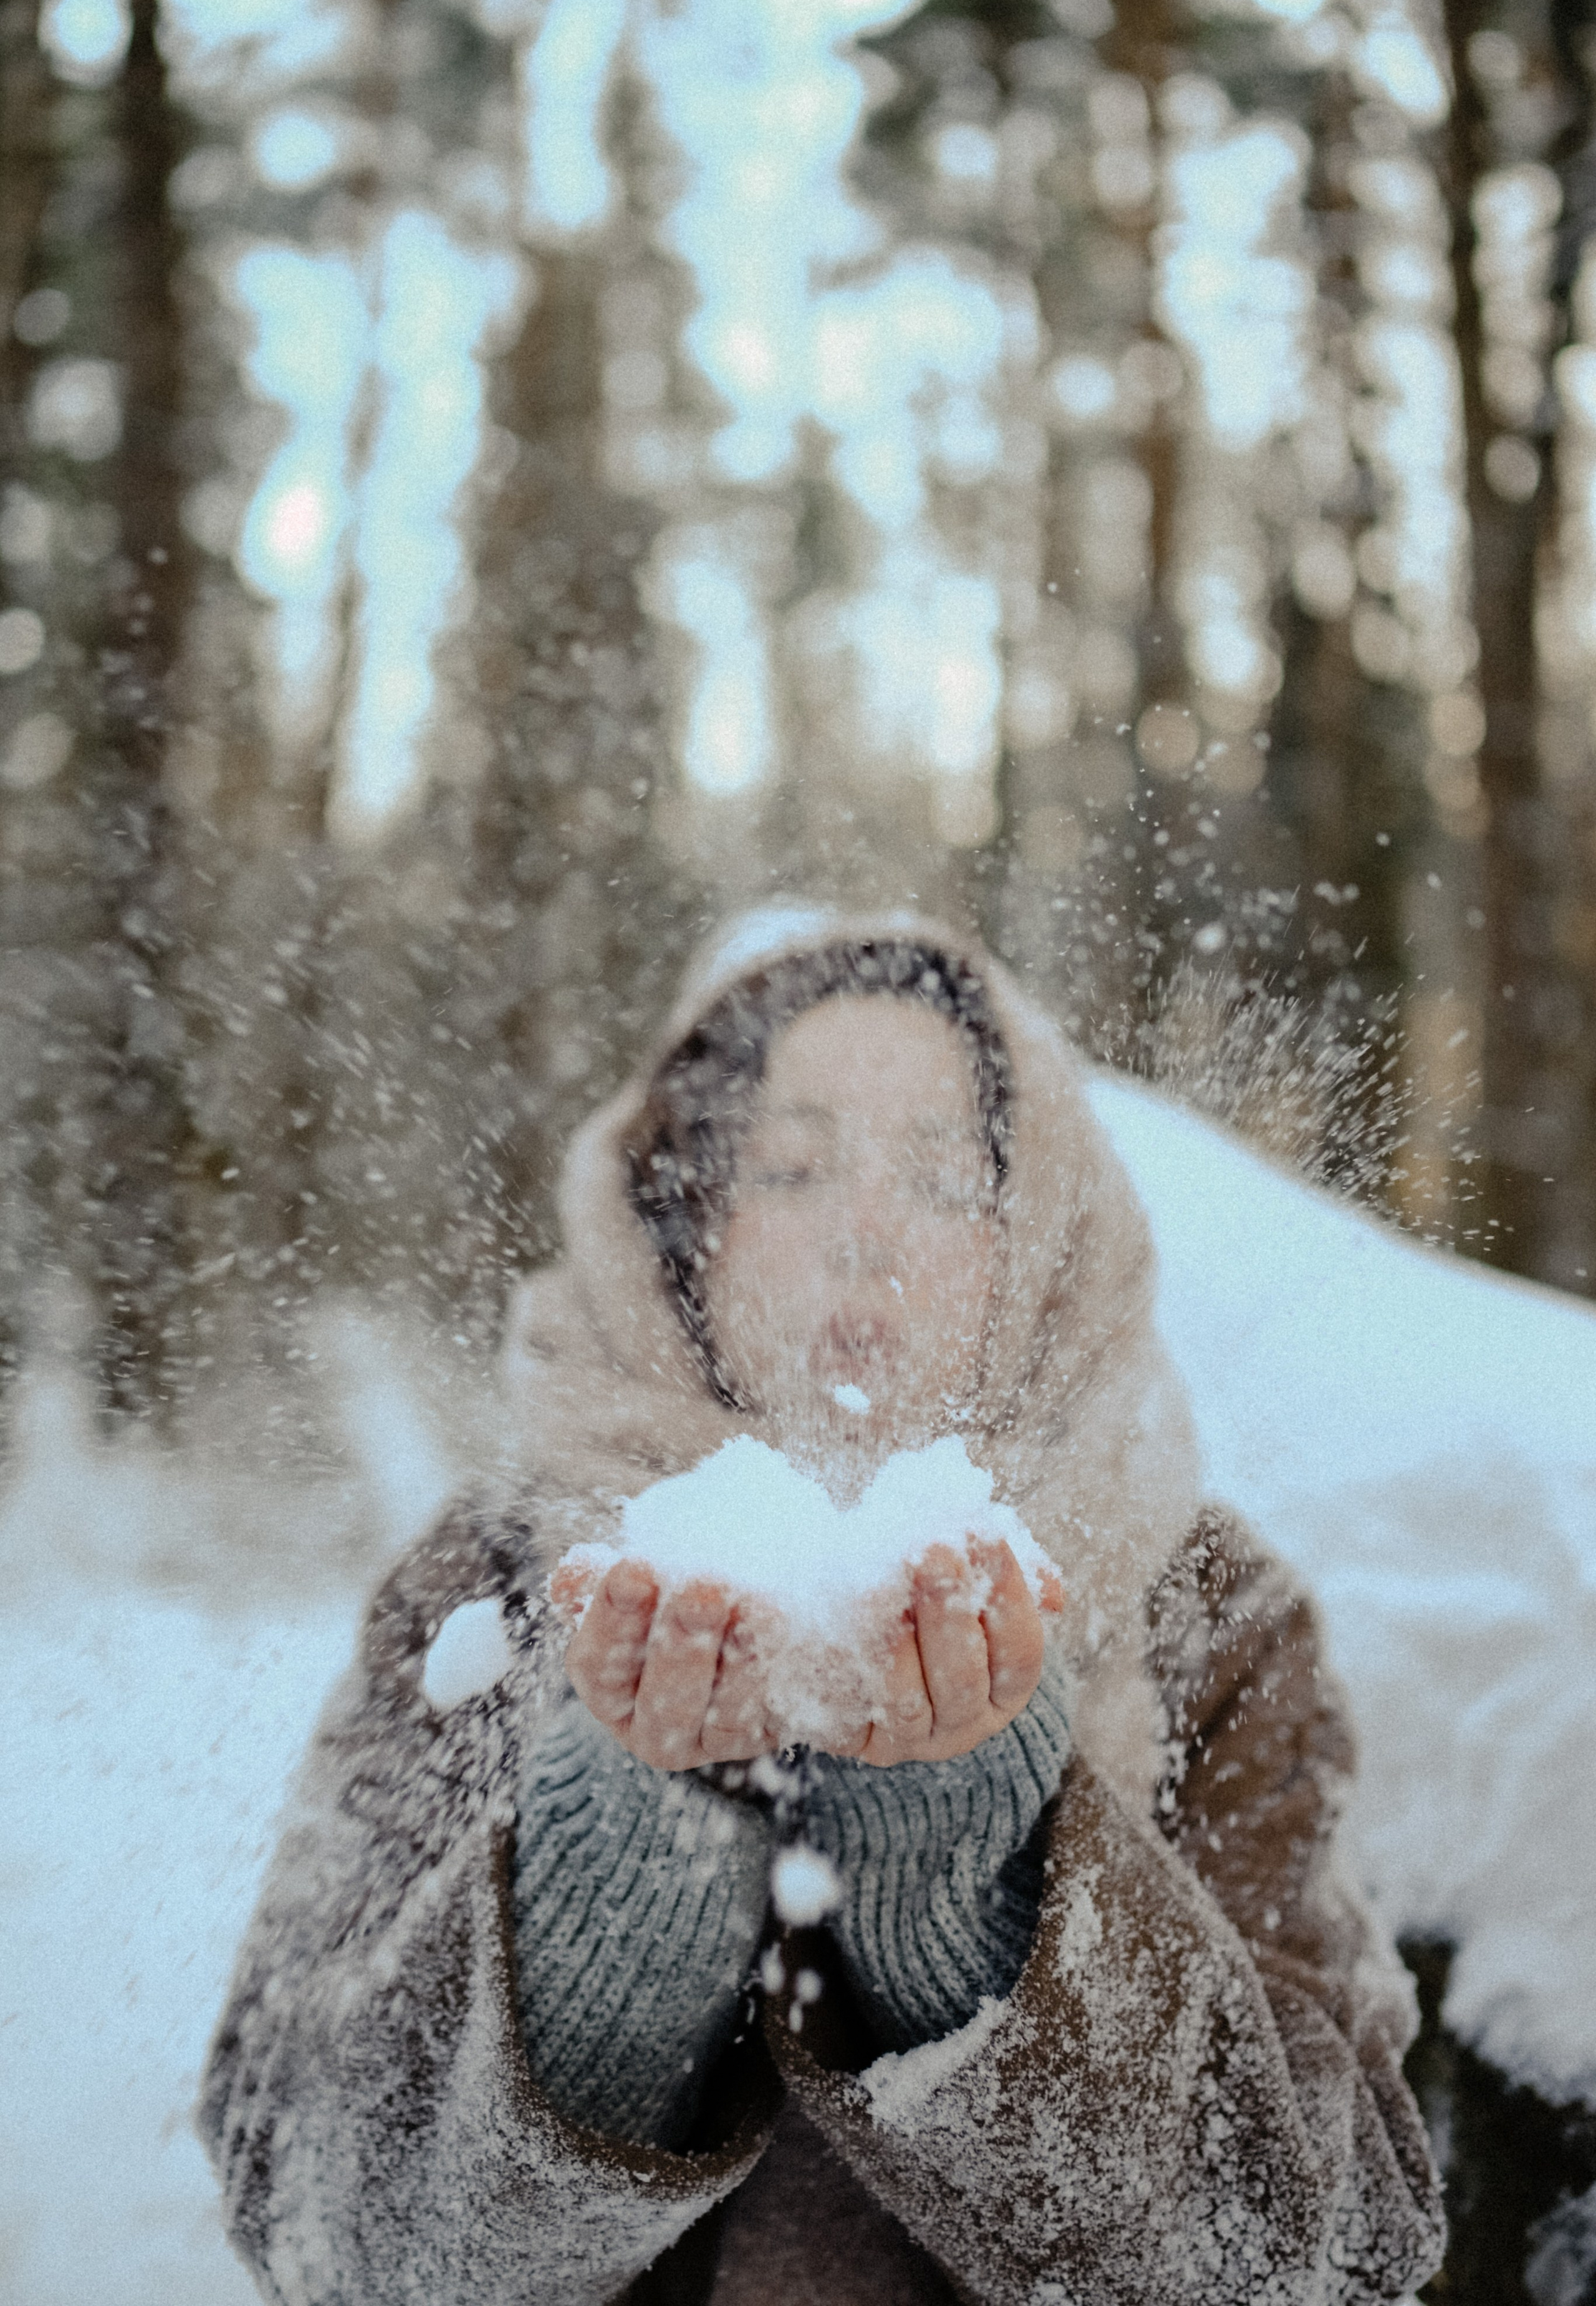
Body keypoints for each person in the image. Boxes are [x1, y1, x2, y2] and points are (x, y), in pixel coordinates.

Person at [200, 906, 1446, 2305]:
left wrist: (971, 1893)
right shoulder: (489, 1582)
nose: (865, 1236)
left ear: (1036, 1238)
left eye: (944, 1178)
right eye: (791, 1169)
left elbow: (1338, 2247)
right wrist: (616, 1894)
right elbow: (306, 2210)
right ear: (685, 1224)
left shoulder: (1206, 1615)